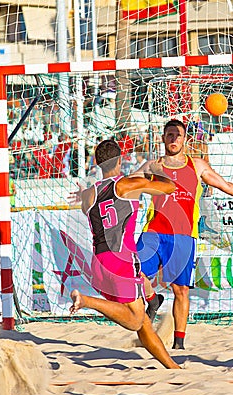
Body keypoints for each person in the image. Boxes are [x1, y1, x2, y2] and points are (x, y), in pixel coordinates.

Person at [136, 119, 233, 350]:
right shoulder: (153, 166)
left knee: (180, 290)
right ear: (163, 138)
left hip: (183, 236)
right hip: (153, 232)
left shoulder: (197, 166)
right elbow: (122, 185)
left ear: (185, 140)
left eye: (178, 135)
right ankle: (153, 301)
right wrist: (92, 191)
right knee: (135, 274)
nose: (174, 139)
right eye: (170, 134)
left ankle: (179, 344)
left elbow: (226, 186)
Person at [69, 139, 180, 369]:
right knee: (135, 320)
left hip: (99, 263)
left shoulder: (88, 195)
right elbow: (170, 187)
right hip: (122, 262)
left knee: (143, 323)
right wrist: (156, 173)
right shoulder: (127, 185)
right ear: (120, 160)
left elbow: (102, 198)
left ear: (98, 164)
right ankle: (86, 301)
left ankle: (172, 367)